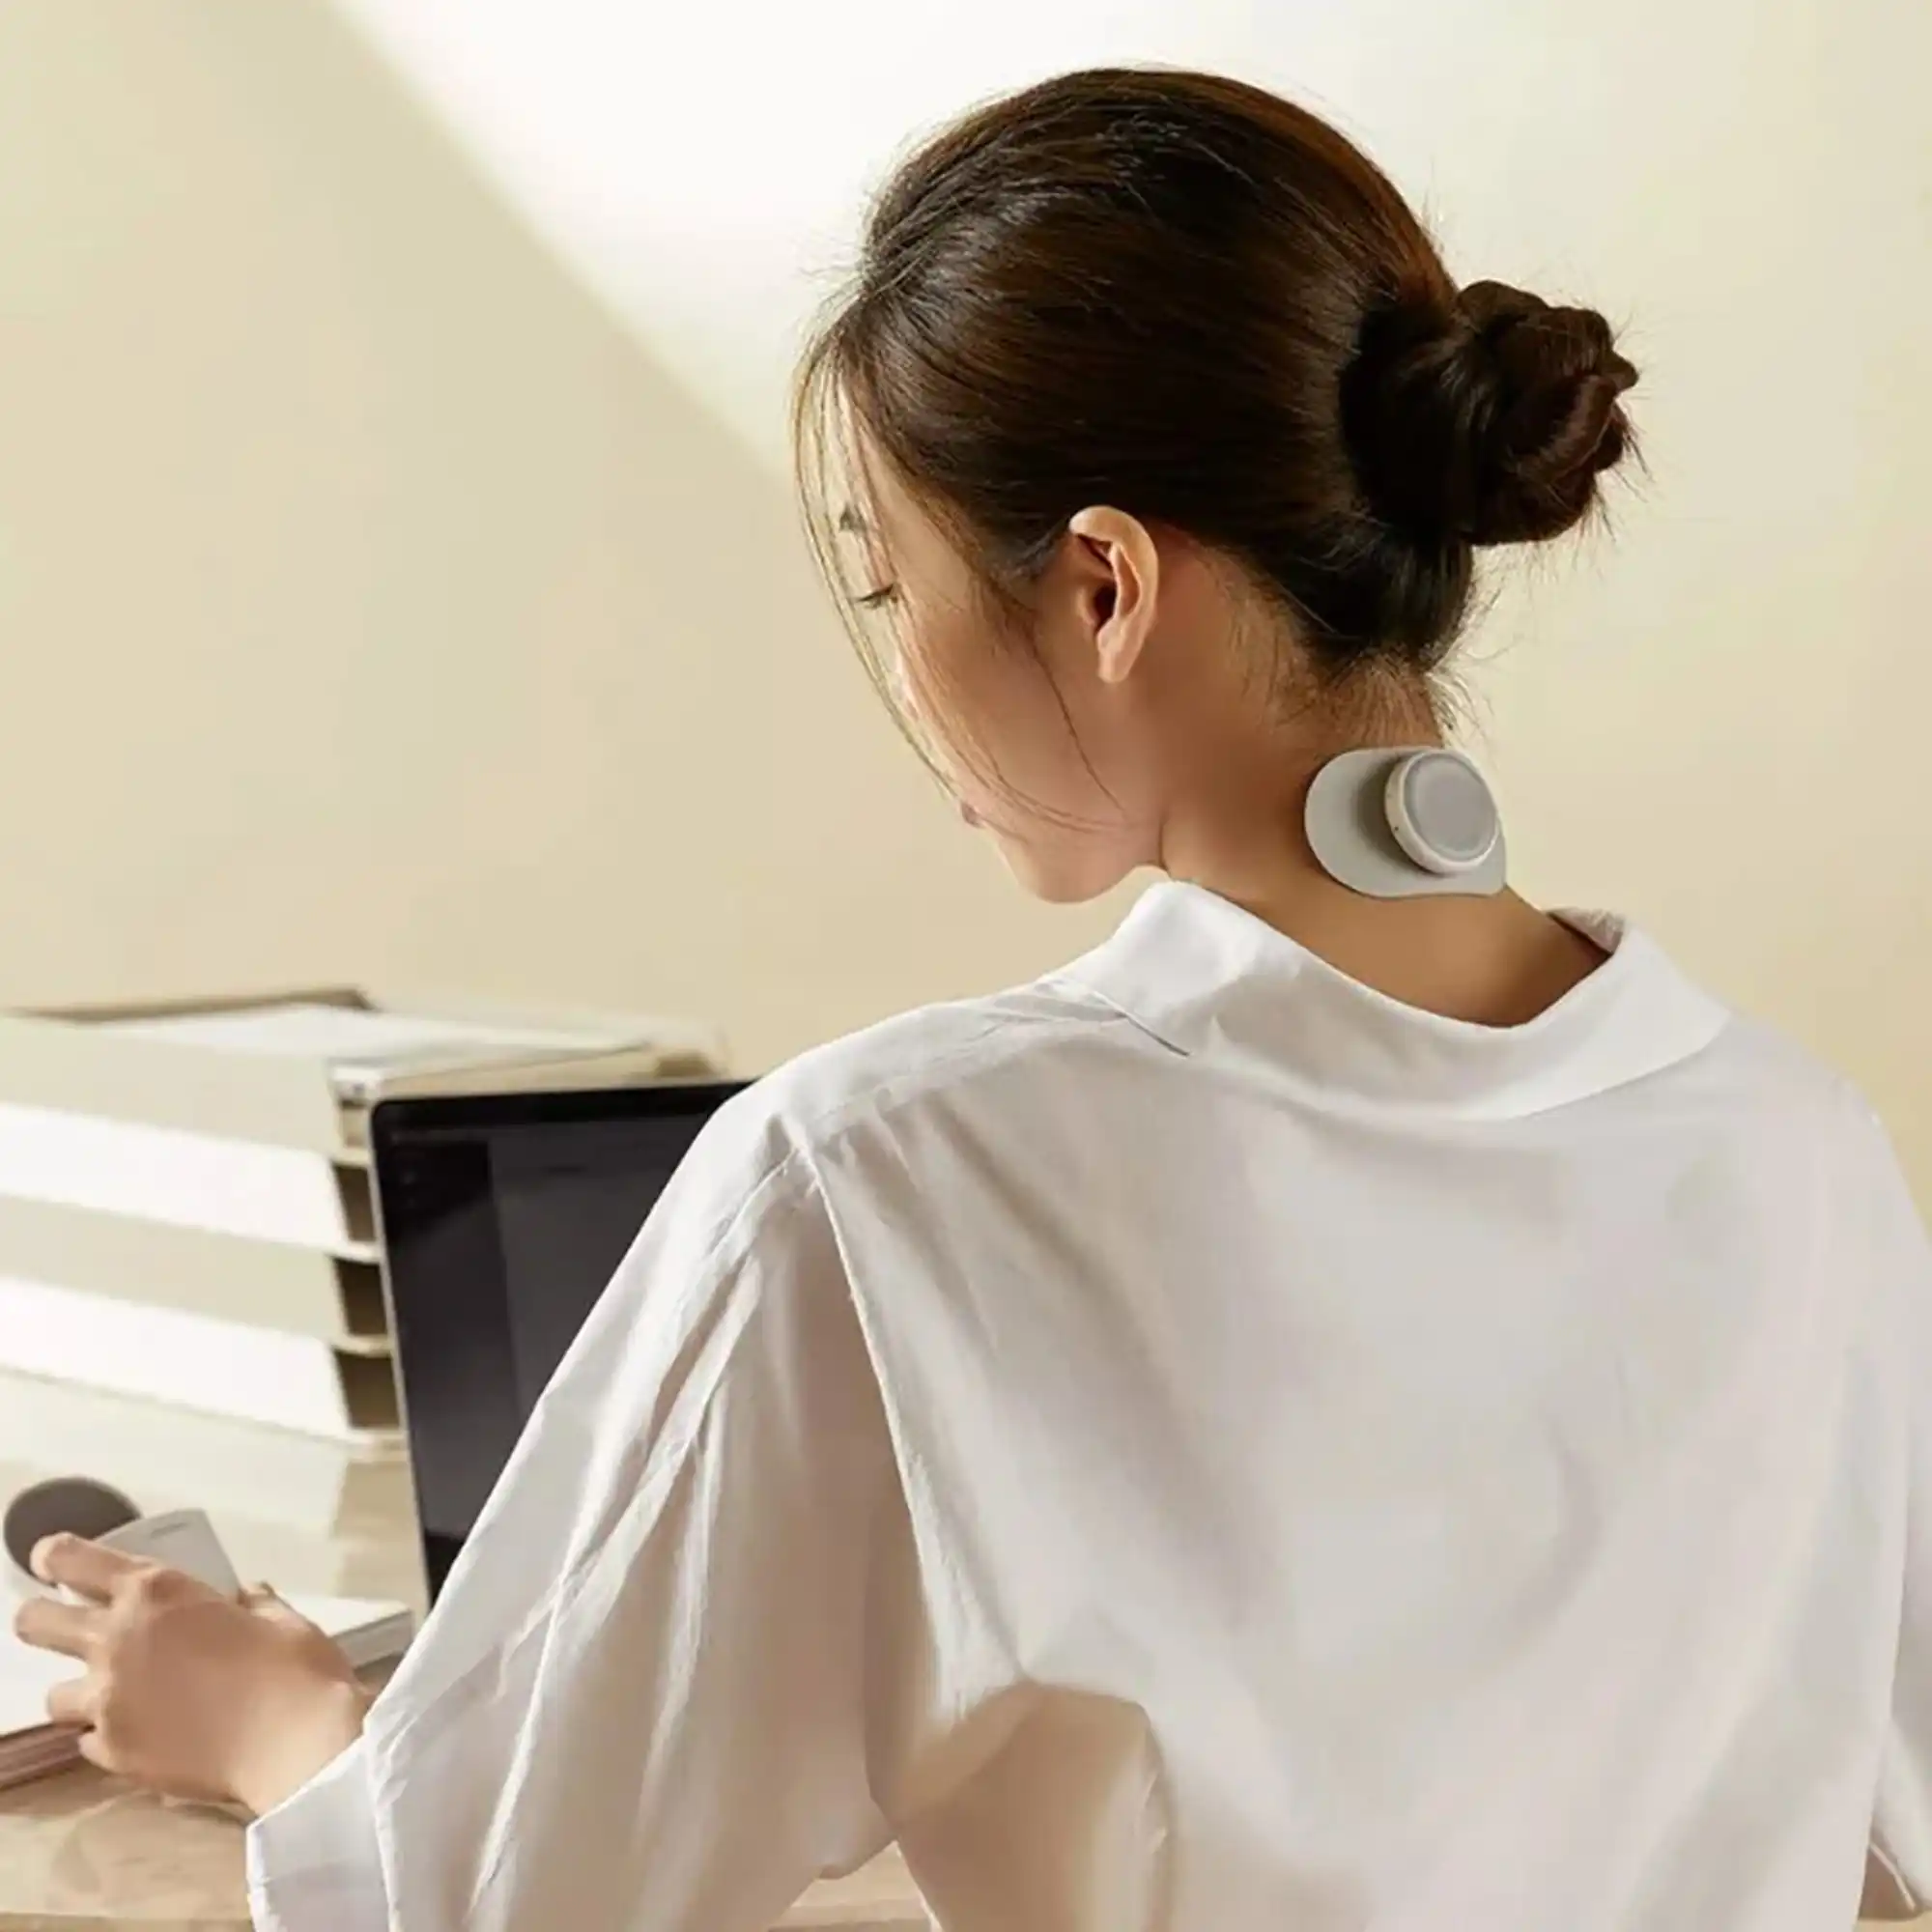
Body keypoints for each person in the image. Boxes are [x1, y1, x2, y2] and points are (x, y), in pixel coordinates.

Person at [14, 66, 1932, 1932]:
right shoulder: (1806, 1153)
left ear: (1103, 585)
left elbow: (492, 1899)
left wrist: (280, 1731)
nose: (904, 676)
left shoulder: (885, 1174)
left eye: (884, 586)